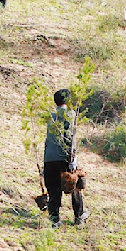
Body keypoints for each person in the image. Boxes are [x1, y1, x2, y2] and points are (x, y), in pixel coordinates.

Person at [42, 89, 86, 226]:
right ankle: (79, 216)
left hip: (49, 157)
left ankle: (55, 219)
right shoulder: (70, 114)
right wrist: (73, 160)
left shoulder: (50, 116)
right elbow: (69, 138)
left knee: (53, 188)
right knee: (74, 186)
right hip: (64, 156)